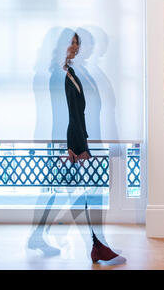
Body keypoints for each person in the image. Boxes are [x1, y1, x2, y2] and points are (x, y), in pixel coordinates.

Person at [64, 33, 119, 263]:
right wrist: (76, 145)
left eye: (78, 43)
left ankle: (97, 244)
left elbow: (80, 111)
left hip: (77, 139)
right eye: (72, 42)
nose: (76, 47)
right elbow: (69, 112)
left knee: (83, 194)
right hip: (71, 142)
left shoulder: (73, 72)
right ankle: (97, 244)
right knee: (85, 194)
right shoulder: (63, 74)